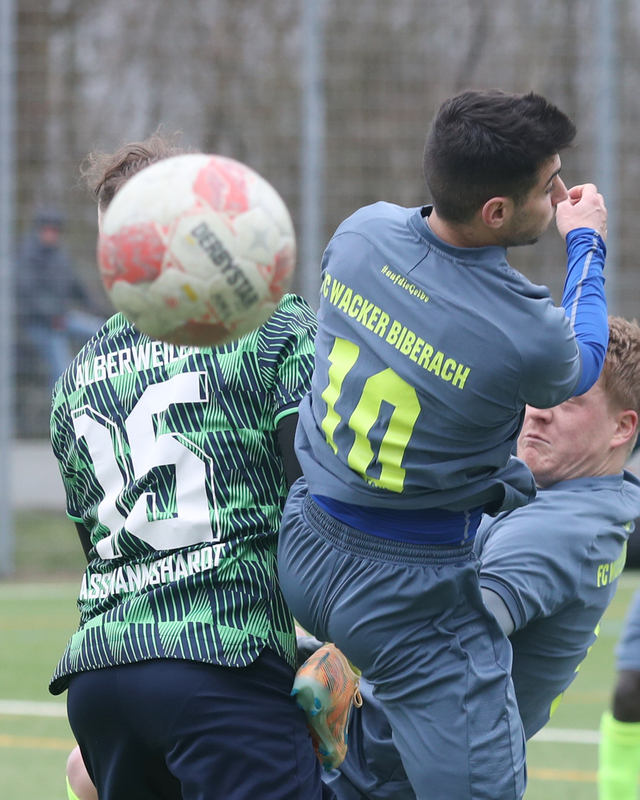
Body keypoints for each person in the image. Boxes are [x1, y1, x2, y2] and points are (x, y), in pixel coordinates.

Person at [276, 88, 609, 800]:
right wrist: (587, 240)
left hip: (304, 540)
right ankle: (352, 681)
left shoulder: (359, 233)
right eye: (548, 187)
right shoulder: (523, 331)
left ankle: (324, 661)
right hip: (404, 587)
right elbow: (584, 359)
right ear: (497, 212)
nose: (559, 196)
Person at [50, 134, 333, 800]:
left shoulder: (76, 375)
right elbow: (318, 494)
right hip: (223, 659)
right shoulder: (269, 325)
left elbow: (99, 543)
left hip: (102, 676)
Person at [291, 315, 640, 800]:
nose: (540, 412)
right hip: (388, 759)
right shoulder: (570, 495)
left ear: (622, 428)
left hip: (382, 775)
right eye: (541, 392)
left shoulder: (558, 531)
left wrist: (336, 653)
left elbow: (448, 636)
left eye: (569, 400)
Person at [16, 208, 105, 390]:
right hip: (40, 324)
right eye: (47, 230)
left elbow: (75, 286)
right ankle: (62, 405)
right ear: (39, 230)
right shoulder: (27, 257)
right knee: (62, 370)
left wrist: (97, 308)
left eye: (54, 231)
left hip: (63, 318)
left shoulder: (60, 256)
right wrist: (52, 317)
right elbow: (29, 294)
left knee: (102, 332)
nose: (51, 235)